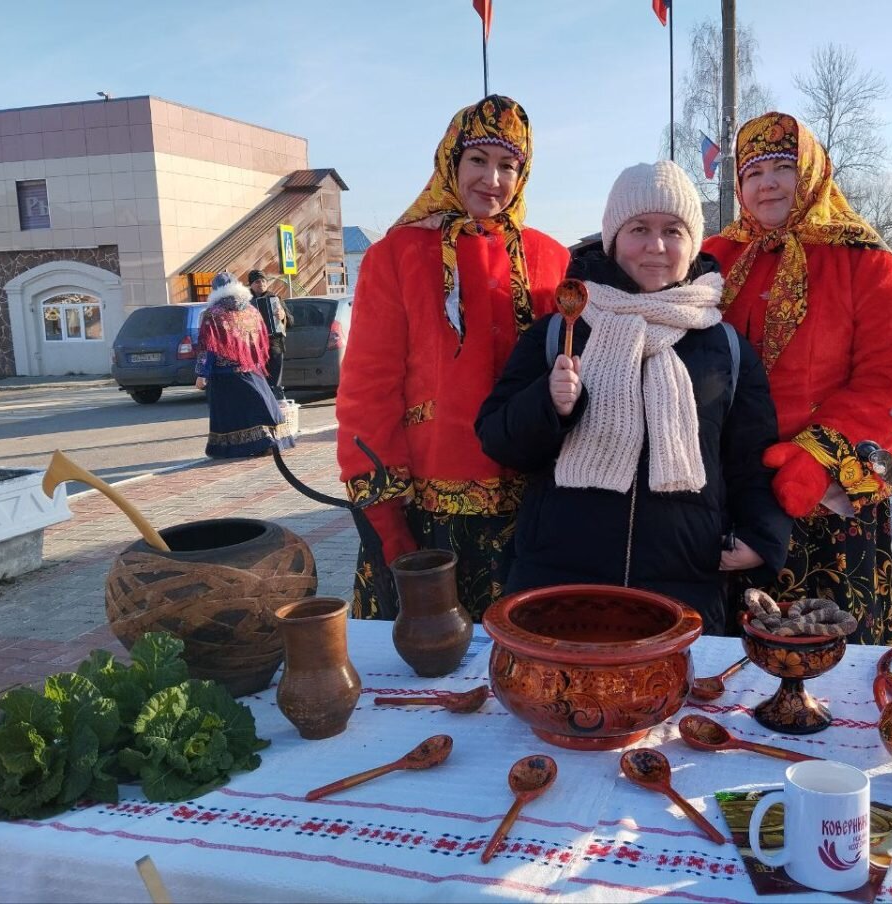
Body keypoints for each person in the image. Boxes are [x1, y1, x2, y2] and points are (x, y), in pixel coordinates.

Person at [476, 161, 791, 635]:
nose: (656, 246)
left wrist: (762, 536)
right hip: (558, 590)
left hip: (683, 591)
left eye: (673, 230)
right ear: (613, 238)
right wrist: (551, 405)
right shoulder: (558, 332)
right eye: (638, 228)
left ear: (693, 242)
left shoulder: (724, 346)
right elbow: (498, 439)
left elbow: (751, 458)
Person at [335, 95, 570, 622]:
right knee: (425, 668)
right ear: (451, 162)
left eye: (508, 165)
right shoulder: (395, 255)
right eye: (478, 161)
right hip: (427, 509)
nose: (493, 179)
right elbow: (369, 387)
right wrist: (385, 516)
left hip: (531, 506)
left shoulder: (551, 259)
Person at [702, 112, 892, 644]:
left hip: (826, 500)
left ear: (811, 170)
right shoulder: (714, 257)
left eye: (783, 166)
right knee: (732, 657)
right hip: (733, 493)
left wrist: (819, 456)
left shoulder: (863, 259)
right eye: (753, 172)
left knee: (826, 656)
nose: (768, 183)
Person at [195, 271, 295, 458]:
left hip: (223, 373)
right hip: (252, 369)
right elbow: (262, 338)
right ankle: (271, 440)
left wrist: (202, 374)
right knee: (259, 406)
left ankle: (233, 447)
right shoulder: (251, 310)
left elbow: (207, 346)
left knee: (231, 415)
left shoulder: (213, 314)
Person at [247, 270, 292, 399]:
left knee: (275, 380)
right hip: (254, 345)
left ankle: (276, 400)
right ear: (251, 285)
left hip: (274, 345)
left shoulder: (275, 298)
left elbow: (291, 321)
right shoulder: (246, 301)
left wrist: (283, 316)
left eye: (263, 281)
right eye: (257, 281)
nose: (261, 283)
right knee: (259, 379)